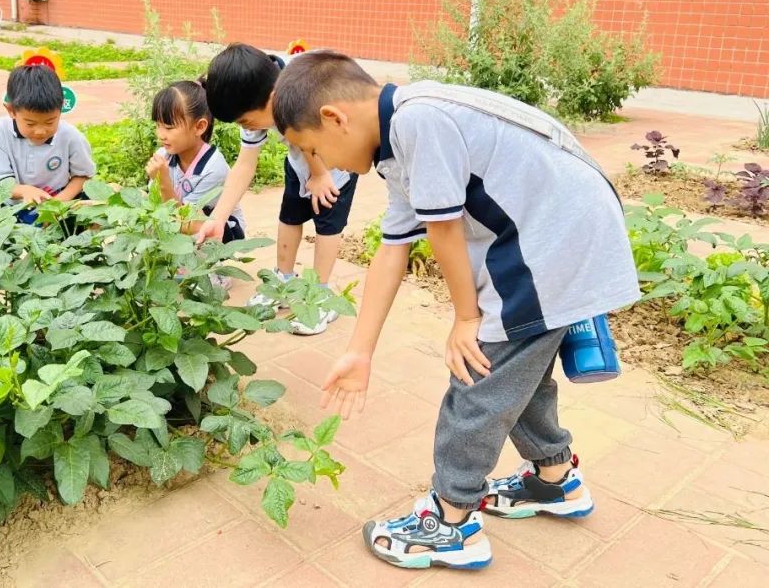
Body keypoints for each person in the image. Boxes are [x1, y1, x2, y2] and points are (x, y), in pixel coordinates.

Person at [270, 51, 639, 571]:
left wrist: (467, 319)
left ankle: (451, 521)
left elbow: (442, 229)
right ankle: (554, 480)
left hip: (552, 242)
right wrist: (360, 352)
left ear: (334, 118)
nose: (321, 163)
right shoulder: (398, 138)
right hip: (561, 233)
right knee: (515, 374)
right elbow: (393, 247)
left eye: (313, 149)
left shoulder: (419, 121)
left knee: (477, 375)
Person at [195, 43, 358, 335]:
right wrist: (217, 217)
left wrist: (320, 174)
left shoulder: (304, 87)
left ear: (272, 98)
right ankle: (284, 279)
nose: (247, 126)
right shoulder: (256, 93)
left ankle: (318, 295)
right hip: (299, 158)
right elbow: (245, 165)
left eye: (245, 121)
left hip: (336, 159)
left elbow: (313, 135)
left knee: (327, 223)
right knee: (290, 216)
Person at [0, 62, 95, 224]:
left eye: (50, 122)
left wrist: (58, 204)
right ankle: (15, 226)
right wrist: (25, 191)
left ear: (61, 109)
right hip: (13, 207)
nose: (40, 131)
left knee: (93, 198)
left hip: (59, 205)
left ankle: (56, 225)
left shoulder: (71, 136)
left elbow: (83, 176)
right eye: (30, 124)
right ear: (11, 111)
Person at [146, 81, 246, 242]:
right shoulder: (163, 155)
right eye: (158, 125)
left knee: (195, 227)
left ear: (199, 127)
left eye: (169, 127)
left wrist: (163, 182)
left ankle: (197, 265)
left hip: (219, 231)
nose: (161, 134)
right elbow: (154, 204)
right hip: (179, 223)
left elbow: (187, 223)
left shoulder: (213, 168)